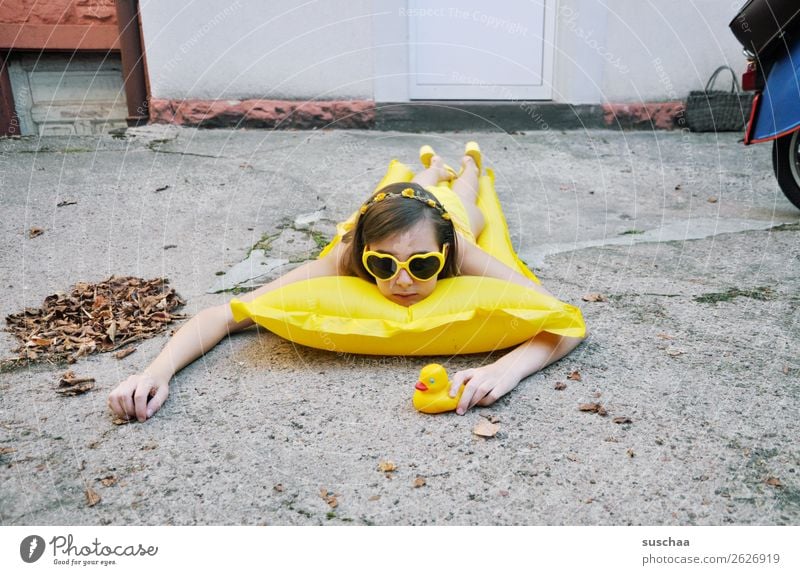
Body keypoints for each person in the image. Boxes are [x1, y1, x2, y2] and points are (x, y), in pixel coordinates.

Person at [107, 142, 585, 423]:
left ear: (442, 255)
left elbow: (562, 317)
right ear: (364, 256)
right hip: (392, 205)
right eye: (383, 265)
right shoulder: (345, 256)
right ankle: (432, 166)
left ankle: (468, 164)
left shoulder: (458, 244)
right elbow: (225, 315)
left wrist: (509, 369)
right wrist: (154, 372)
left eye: (421, 266)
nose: (401, 281)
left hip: (453, 217)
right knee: (429, 178)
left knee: (464, 196)